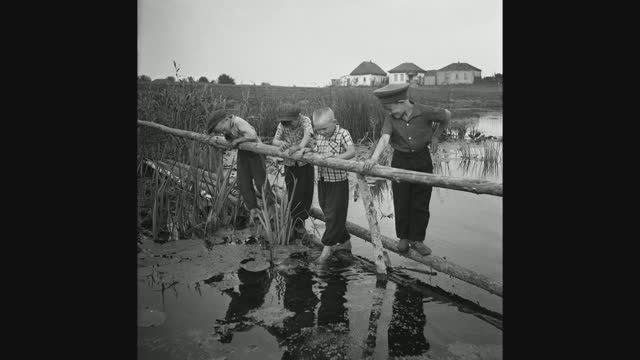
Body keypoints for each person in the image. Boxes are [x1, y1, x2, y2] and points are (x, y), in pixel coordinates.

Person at [363, 83, 451, 256]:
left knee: (421, 201)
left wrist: (435, 136)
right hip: (400, 161)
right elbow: (385, 138)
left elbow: (447, 116)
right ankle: (403, 237)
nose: (389, 112)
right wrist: (374, 158)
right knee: (401, 200)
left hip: (422, 159)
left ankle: (417, 240)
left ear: (402, 101)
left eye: (390, 108)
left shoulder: (425, 111)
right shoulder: (391, 119)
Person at [206, 107, 271, 220]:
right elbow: (229, 140)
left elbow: (252, 135)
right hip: (243, 153)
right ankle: (253, 208)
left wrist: (237, 141)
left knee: (261, 181)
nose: (221, 131)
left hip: (256, 152)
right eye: (219, 131)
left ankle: (270, 207)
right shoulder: (228, 127)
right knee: (243, 181)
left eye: (221, 128)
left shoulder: (238, 122)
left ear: (226, 119)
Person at [311, 107, 356, 263]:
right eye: (318, 129)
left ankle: (327, 248)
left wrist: (336, 158)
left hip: (338, 182)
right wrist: (310, 153)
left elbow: (351, 152)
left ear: (334, 122)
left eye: (324, 128)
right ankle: (345, 242)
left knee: (333, 215)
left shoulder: (343, 133)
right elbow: (316, 150)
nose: (322, 132)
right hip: (323, 181)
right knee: (328, 212)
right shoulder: (319, 136)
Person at [271, 103, 315, 238]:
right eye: (286, 123)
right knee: (294, 194)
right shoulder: (283, 125)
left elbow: (308, 134)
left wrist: (300, 146)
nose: (288, 125)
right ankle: (297, 224)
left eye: (290, 122)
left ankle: (301, 221)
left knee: (307, 193)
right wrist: (281, 143)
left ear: (297, 117)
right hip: (290, 164)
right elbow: (275, 140)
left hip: (305, 163)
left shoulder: (305, 120)